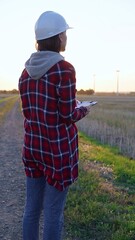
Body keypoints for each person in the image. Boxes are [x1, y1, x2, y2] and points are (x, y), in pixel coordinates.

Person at [18, 11, 91, 240]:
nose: (66, 38)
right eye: (64, 34)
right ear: (58, 38)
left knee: (31, 210)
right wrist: (84, 108)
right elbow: (68, 114)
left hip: (33, 148)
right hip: (57, 152)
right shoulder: (64, 69)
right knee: (53, 214)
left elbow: (32, 111)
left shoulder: (25, 72)